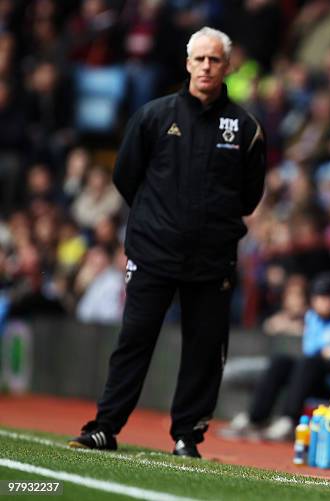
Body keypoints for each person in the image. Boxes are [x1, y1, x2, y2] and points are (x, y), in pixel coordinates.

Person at [68, 26, 266, 458]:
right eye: (200, 59)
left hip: (212, 259)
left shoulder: (246, 127)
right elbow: (125, 176)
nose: (207, 67)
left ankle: (187, 436)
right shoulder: (154, 116)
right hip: (153, 252)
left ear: (227, 66)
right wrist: (157, 219)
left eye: (215, 59)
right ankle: (105, 427)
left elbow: (250, 196)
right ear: (187, 63)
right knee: (134, 340)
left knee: (203, 349)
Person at [220, 273, 330, 441]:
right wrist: (325, 352)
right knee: (281, 362)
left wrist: (324, 354)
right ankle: (256, 418)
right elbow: (311, 350)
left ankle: (289, 420)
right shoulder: (313, 316)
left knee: (309, 364)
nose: (324, 303)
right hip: (320, 375)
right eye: (320, 298)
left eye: (328, 298)